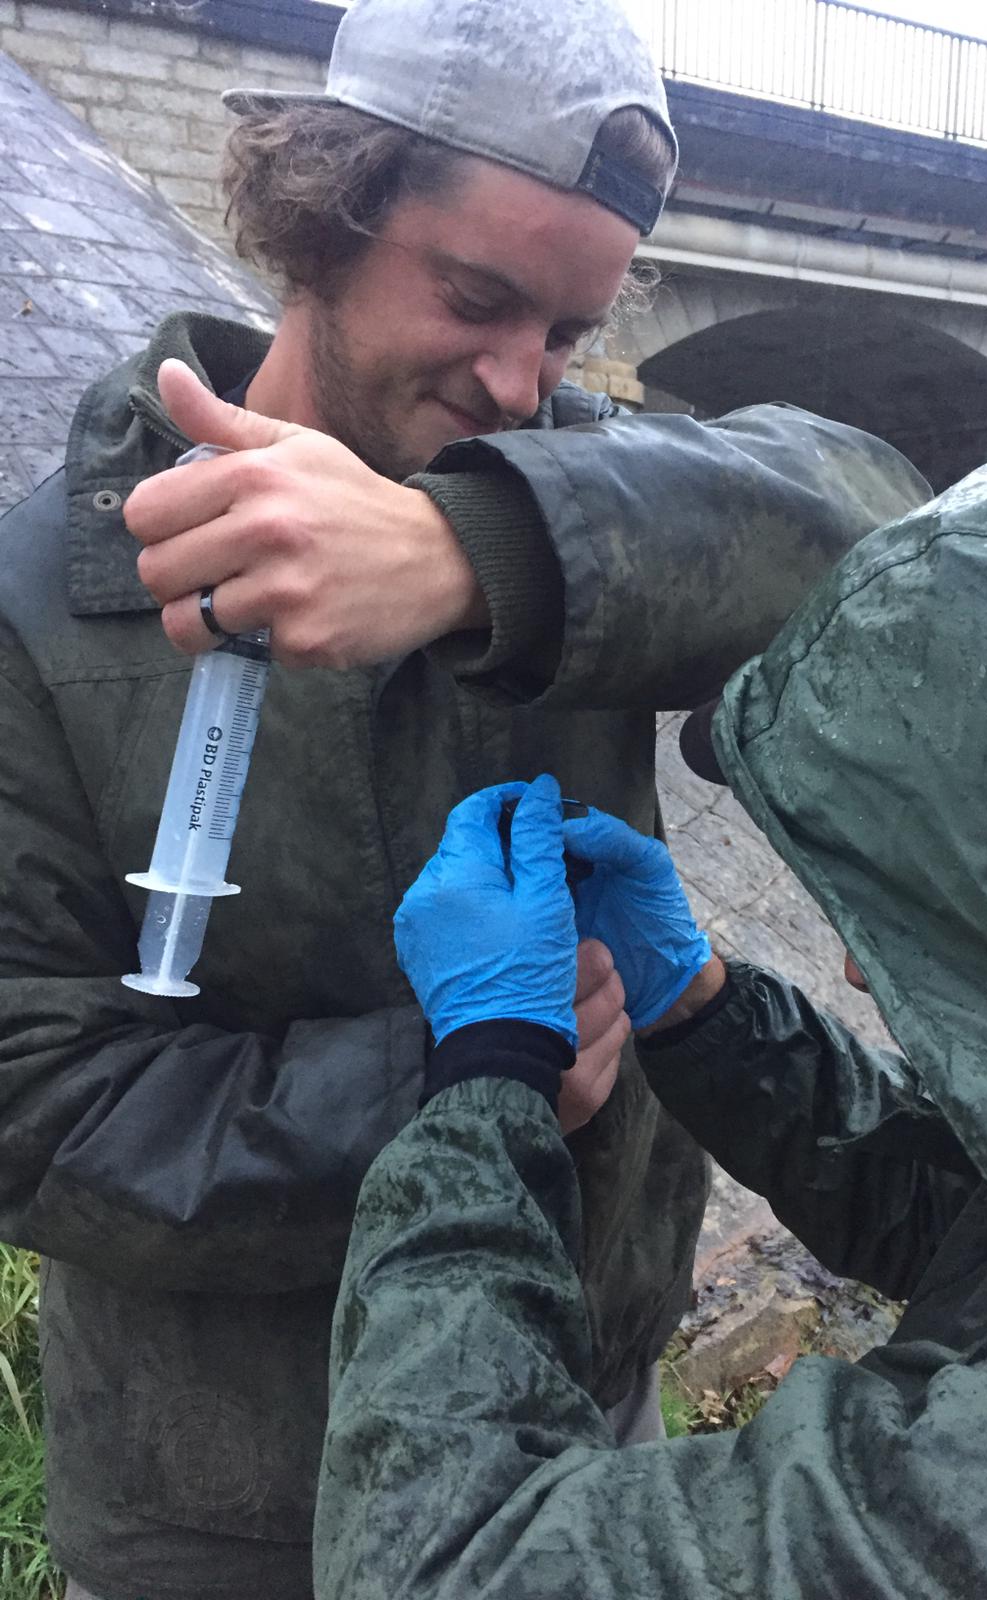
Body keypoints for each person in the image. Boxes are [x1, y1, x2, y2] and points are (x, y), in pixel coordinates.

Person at [0, 1, 930, 1596]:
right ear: (321, 219)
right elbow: (30, 1104)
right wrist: (458, 1080)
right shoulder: (49, 593)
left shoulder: (572, 502)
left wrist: (470, 549)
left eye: (567, 332)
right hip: (227, 1509)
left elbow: (886, 526)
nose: (519, 382)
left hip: (582, 1421)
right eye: (478, 298)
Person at [317, 453, 987, 1599]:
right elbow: (985, 1229)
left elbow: (449, 1563)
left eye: (921, 905)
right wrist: (699, 1006)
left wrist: (484, 1072)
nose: (855, 967)